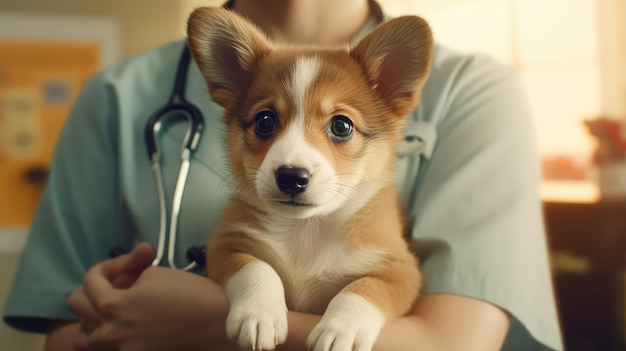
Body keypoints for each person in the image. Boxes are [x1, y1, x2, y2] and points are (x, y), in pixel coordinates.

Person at [3, 0, 563, 350]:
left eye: (340, 127)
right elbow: (65, 333)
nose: (293, 156)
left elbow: (455, 343)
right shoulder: (114, 97)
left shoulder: (474, 89)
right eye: (266, 122)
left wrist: (200, 323)